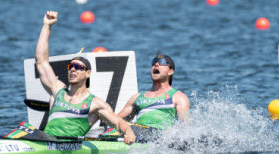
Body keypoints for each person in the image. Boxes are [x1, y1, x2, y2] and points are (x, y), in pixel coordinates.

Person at [35, 11, 136, 144]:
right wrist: (46, 26)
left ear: (88, 73)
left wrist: (128, 132)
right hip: (45, 143)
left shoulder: (96, 104)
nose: (72, 69)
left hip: (70, 153)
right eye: (70, 66)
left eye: (78, 67)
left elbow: (118, 123)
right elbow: (41, 62)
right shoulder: (57, 90)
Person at [117, 54, 190, 130]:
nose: (156, 64)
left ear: (170, 72)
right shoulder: (136, 97)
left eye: (162, 62)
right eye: (154, 62)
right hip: (138, 132)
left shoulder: (178, 97)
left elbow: (186, 126)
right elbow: (116, 120)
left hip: (161, 135)